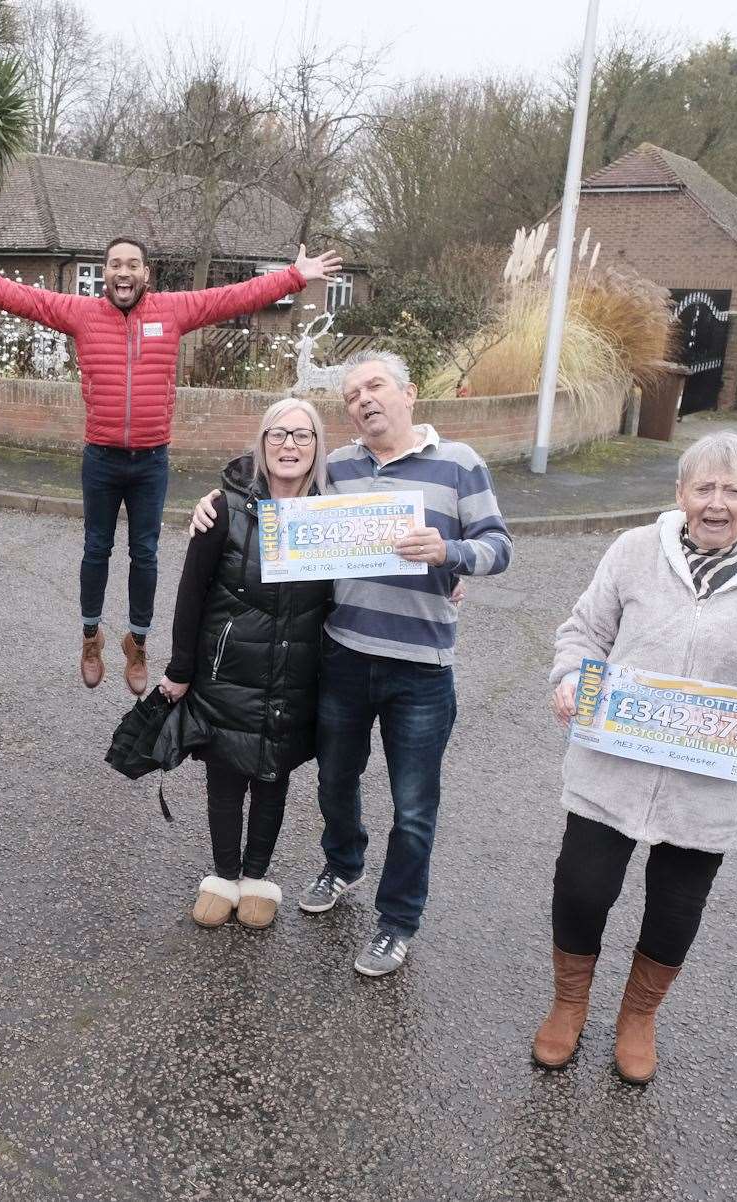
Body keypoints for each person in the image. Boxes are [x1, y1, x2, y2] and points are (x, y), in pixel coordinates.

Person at [192, 350, 512, 976]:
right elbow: (272, 484)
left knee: (414, 806)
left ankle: (396, 923)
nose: (362, 400)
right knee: (335, 782)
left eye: (374, 387)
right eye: (350, 395)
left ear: (408, 393)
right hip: (342, 654)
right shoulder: (337, 467)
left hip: (421, 667)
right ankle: (342, 865)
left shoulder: (461, 464)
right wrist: (213, 498)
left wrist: (452, 553)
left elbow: (499, 545)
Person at [0, 237, 346, 695]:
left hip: (151, 461)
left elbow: (234, 297)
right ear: (105, 274)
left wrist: (293, 276)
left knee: (144, 554)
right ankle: (91, 636)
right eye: (114, 265)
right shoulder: (81, 314)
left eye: (132, 265)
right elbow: (25, 299)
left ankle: (137, 642)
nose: (123, 272)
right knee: (95, 549)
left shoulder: (173, 310)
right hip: (101, 459)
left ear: (146, 274)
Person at [535, 431, 737, 1084]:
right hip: (613, 763)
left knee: (675, 908)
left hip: (710, 781)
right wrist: (570, 679)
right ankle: (569, 1003)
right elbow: (585, 632)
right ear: (680, 495)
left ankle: (639, 1016)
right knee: (581, 889)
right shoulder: (635, 552)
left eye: (731, 490)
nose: (715, 503)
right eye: (703, 488)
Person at [158, 398, 332, 930]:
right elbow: (191, 595)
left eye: (302, 437)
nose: (289, 446)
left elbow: (369, 576)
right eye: (278, 435)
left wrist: (444, 579)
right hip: (227, 669)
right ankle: (223, 873)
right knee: (227, 773)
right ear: (261, 443)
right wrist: (181, 668)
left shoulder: (332, 515)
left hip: (296, 672)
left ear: (316, 448)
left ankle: (257, 877)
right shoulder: (224, 510)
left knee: (274, 774)